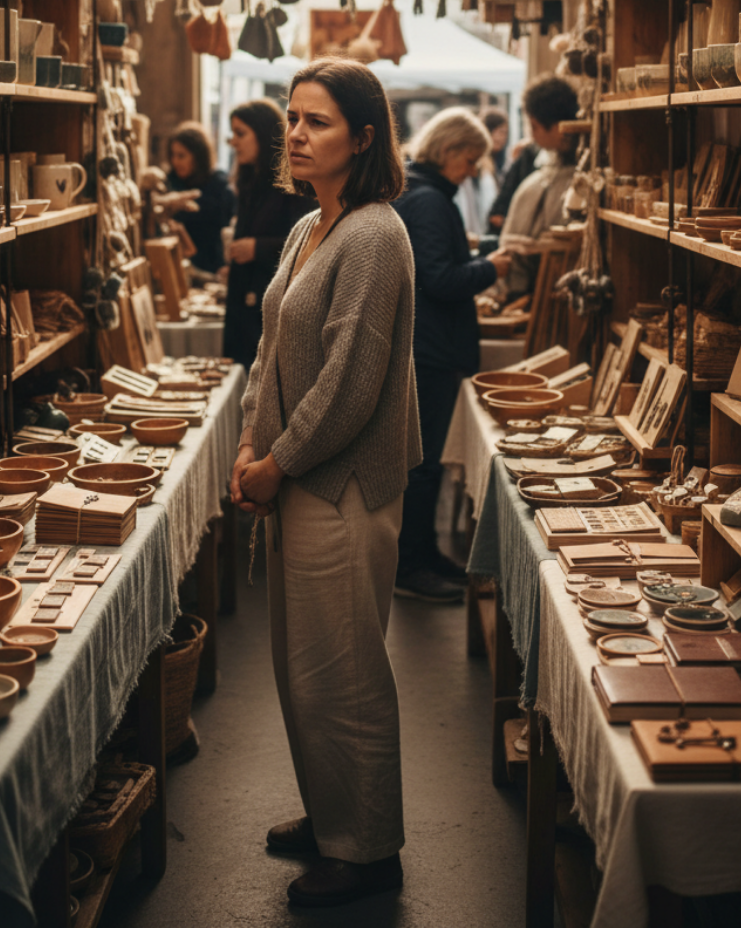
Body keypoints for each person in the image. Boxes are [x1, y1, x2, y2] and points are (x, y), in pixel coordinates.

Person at [231, 58, 417, 909]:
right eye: (293, 118)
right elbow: (271, 350)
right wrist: (249, 442)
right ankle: (333, 814)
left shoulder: (375, 234)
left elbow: (350, 384)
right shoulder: (311, 225)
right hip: (296, 474)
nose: (297, 135)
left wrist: (275, 464)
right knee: (304, 666)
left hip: (342, 484)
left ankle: (368, 851)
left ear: (365, 137)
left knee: (346, 673)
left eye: (319, 121)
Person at [393, 110, 512, 603]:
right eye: (470, 159)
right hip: (432, 349)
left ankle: (424, 555)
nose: (472, 170)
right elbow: (439, 279)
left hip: (429, 346)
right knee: (422, 465)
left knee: (426, 462)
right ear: (448, 150)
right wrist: (490, 267)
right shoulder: (428, 200)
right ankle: (410, 567)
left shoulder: (421, 193)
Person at [223, 100, 315, 368]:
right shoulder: (250, 180)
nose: (233, 142)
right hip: (245, 303)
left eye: (240, 134)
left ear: (262, 133)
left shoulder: (292, 183)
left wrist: (257, 248)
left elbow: (308, 243)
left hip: (271, 305)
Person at [498, 74, 580, 298]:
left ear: (557, 127)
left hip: (557, 289)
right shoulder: (542, 167)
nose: (533, 135)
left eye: (534, 126)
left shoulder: (576, 179)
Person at [164, 123, 235, 274]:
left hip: (213, 268)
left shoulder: (219, 185)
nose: (175, 161)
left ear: (198, 157)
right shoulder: (169, 184)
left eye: (181, 156)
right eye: (172, 155)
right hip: (178, 267)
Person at [483, 108, 510, 184]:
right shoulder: (479, 162)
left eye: (506, 133)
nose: (503, 137)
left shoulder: (501, 159)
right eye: (501, 132)